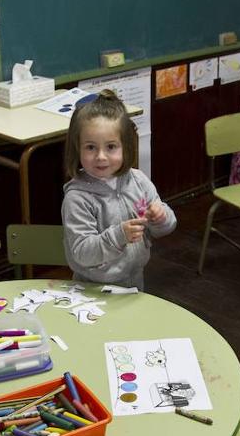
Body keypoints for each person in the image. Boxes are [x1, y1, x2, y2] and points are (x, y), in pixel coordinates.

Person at [61, 91, 176, 290]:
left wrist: (161, 217)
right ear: (77, 148)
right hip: (92, 290)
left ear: (126, 146)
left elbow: (166, 227)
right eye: (90, 147)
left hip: (135, 281)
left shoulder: (138, 181)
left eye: (111, 146)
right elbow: (82, 252)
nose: (101, 157)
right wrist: (119, 235)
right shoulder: (77, 198)